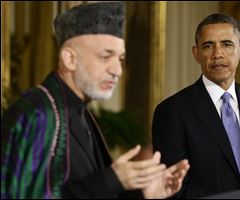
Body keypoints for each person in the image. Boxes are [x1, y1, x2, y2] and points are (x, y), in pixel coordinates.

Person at [1, 2, 189, 199]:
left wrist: (142, 194)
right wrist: (111, 180)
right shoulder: (38, 114)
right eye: (105, 56)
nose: (117, 70)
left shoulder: (82, 113)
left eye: (120, 59)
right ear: (69, 59)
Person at [152, 13, 240, 198]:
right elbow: (173, 189)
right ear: (196, 54)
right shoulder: (171, 111)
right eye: (208, 46)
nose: (217, 54)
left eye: (226, 44)